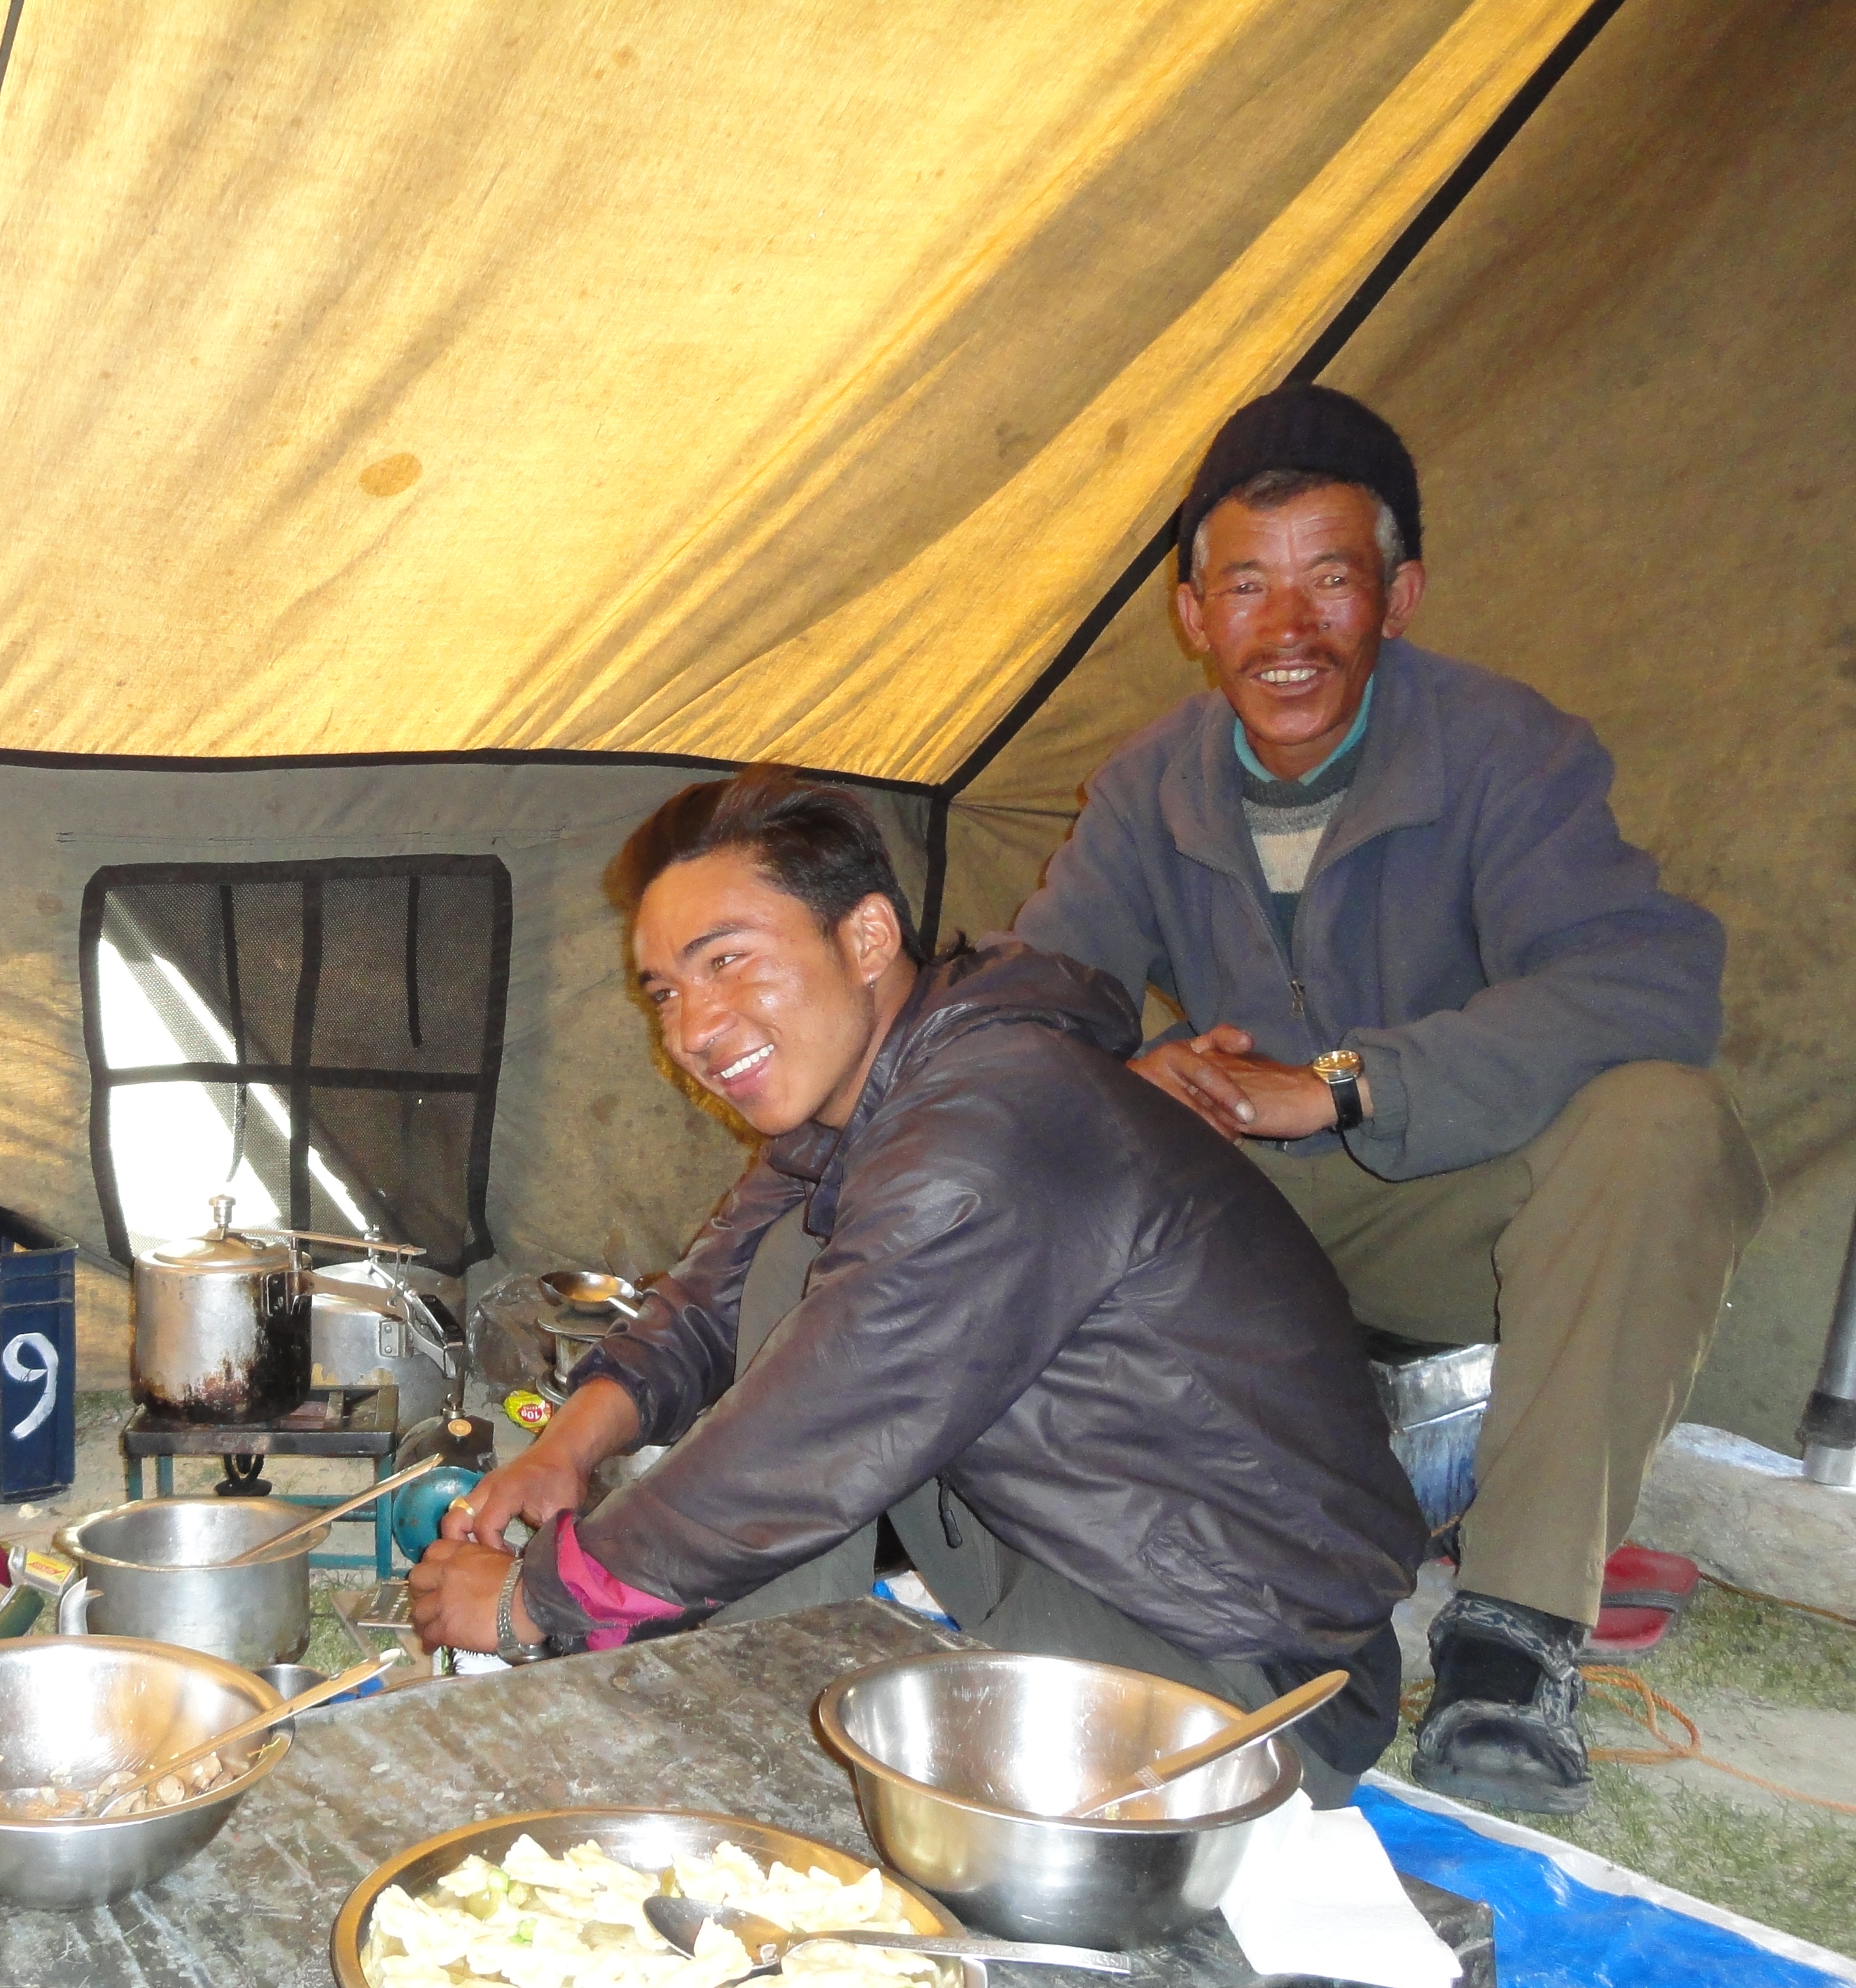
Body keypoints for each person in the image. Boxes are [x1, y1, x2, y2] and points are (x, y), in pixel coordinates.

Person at [1010, 384, 1766, 1814]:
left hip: (1449, 1208)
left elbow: (1643, 981)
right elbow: (1035, 996)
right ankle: (1038, 1534)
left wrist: (1350, 1085)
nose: (1287, 629)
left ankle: (1515, 1637)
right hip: (1240, 1216)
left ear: (1399, 598)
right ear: (1193, 614)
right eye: (1247, 585)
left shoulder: (1507, 750)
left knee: (1667, 1125)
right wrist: (1123, 1070)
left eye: (1331, 580)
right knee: (1024, 1127)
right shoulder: (1146, 787)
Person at [408, 767, 1425, 1804]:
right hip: (1091, 1563)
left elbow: (812, 1431)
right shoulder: (901, 1083)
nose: (692, 1031)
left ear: (865, 939)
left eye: (728, 961)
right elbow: (713, 1292)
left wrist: (538, 1601)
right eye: (665, 990)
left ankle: (753, 1710)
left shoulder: (991, 1123)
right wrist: (568, 1446)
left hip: (1248, 1685)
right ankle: (760, 1681)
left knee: (815, 1399)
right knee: (790, 1254)